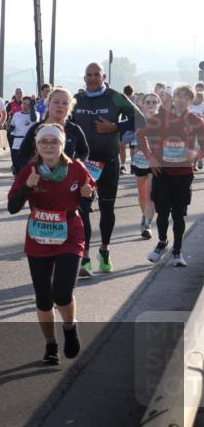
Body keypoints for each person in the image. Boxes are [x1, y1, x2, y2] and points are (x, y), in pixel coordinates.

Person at [8, 123, 96, 365]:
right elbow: (12, 207)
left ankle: (69, 326)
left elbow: (89, 194)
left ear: (62, 144)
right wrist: (27, 187)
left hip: (69, 233)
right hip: (39, 235)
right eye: (44, 142)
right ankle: (50, 344)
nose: (49, 145)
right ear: (37, 146)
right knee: (44, 298)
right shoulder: (29, 170)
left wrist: (89, 194)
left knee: (62, 292)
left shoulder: (76, 168)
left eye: (54, 141)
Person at [70, 62, 144, 276]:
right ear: (84, 78)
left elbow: (142, 119)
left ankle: (104, 250)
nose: (92, 78)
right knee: (82, 210)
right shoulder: (78, 99)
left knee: (107, 208)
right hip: (84, 164)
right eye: (89, 75)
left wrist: (116, 127)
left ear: (103, 77)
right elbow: (62, 123)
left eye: (96, 75)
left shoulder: (115, 97)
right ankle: (84, 258)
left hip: (109, 162)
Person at [138, 85, 204, 268]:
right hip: (162, 173)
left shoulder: (196, 120)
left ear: (191, 101)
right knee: (162, 213)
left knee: (179, 215)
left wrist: (197, 155)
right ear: (173, 98)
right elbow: (140, 135)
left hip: (183, 174)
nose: (182, 100)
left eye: (186, 97)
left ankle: (177, 251)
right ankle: (162, 242)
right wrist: (150, 157)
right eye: (179, 96)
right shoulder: (160, 118)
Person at [131, 92, 161, 240]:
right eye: (148, 102)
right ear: (142, 104)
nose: (151, 105)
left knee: (150, 193)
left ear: (158, 104)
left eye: (154, 102)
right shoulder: (138, 120)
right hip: (139, 160)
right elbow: (129, 135)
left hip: (156, 161)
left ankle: (148, 224)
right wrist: (133, 145)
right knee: (142, 194)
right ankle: (144, 216)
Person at [8, 96, 38, 175]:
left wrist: (32, 107)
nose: (25, 106)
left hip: (29, 144)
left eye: (28, 104)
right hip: (16, 145)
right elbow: (12, 127)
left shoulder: (35, 114)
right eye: (24, 103)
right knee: (17, 169)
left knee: (28, 168)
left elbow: (33, 119)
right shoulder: (16, 115)